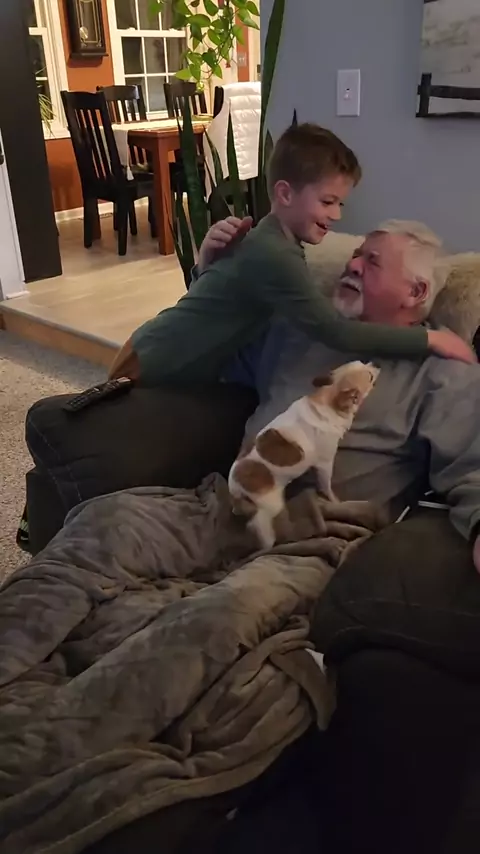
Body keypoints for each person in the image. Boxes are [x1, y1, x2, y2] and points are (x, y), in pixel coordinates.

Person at [196, 215, 480, 573]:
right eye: (356, 255)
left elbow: (472, 466)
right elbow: (207, 355)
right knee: (124, 528)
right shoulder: (301, 329)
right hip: (222, 508)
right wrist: (211, 274)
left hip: (312, 542)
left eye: (372, 261)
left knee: (226, 608)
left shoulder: (442, 371)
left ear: (415, 292)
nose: (353, 265)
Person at [109, 124, 473, 385]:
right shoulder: (273, 253)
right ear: (284, 194)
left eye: (341, 203)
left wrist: (205, 266)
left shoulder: (280, 244)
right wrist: (432, 339)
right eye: (328, 202)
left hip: (168, 356)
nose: (336, 215)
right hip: (151, 359)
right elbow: (336, 332)